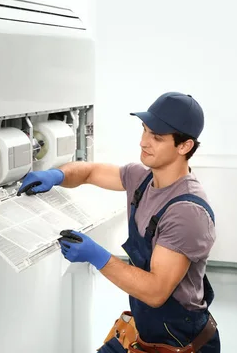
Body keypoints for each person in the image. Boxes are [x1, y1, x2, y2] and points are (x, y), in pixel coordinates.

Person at [17, 92, 220, 352]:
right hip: (146, 333)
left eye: (156, 137)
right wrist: (55, 175)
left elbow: (156, 292)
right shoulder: (141, 178)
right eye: (144, 130)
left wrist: (96, 255)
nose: (143, 142)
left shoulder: (186, 212)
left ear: (184, 146)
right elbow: (89, 172)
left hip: (179, 343)